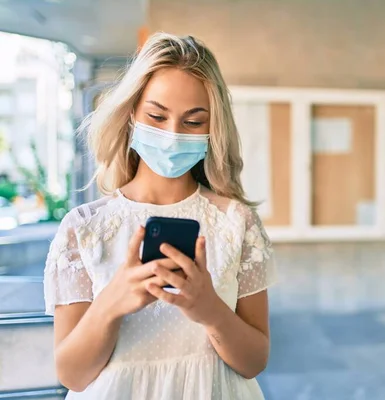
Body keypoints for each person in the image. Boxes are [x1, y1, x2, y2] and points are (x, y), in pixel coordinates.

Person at [43, 33, 276, 399]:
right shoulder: (83, 228)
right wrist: (110, 304)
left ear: (214, 129)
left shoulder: (237, 222)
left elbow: (254, 361)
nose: (171, 134)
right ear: (132, 113)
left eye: (193, 122)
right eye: (157, 115)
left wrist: (210, 310)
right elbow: (72, 375)